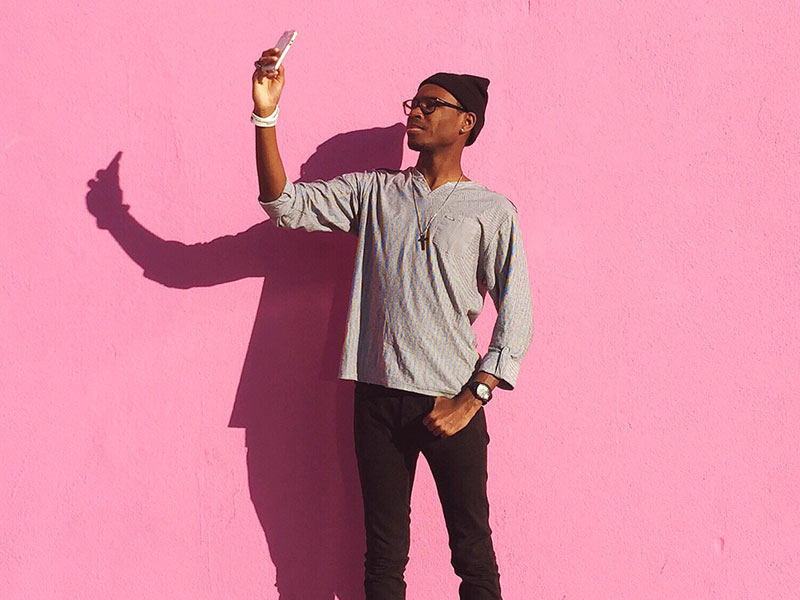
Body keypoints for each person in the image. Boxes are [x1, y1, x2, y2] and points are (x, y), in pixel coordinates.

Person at [251, 47, 534, 600]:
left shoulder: (492, 210)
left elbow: (517, 309)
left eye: (433, 104)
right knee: (383, 561)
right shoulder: (376, 192)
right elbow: (283, 203)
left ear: (466, 122)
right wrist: (266, 116)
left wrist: (473, 397)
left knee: (472, 554)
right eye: (414, 102)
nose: (417, 112)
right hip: (376, 400)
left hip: (451, 400)